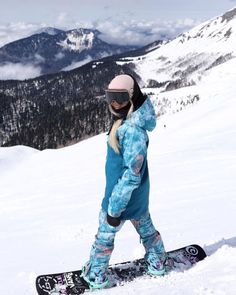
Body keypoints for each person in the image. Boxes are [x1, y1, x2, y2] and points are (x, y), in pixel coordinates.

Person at [81, 74, 167, 289]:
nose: (115, 103)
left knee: (105, 235)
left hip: (118, 197)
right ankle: (158, 261)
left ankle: (96, 275)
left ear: (132, 97)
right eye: (110, 97)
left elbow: (131, 174)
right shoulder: (127, 122)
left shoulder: (131, 130)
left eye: (120, 97)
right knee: (146, 229)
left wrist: (114, 209)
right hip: (138, 198)